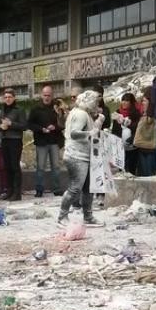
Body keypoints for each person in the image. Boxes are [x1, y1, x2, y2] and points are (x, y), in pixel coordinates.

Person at [57, 90, 104, 227]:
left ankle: (88, 216)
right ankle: (62, 216)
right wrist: (90, 133)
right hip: (76, 156)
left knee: (88, 188)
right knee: (75, 188)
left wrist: (98, 123)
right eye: (95, 102)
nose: (97, 105)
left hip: (83, 155)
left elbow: (91, 132)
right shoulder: (81, 114)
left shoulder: (83, 114)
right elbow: (74, 133)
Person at [28, 85, 63, 197]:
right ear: (41, 95)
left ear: (52, 96)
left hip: (54, 141)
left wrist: (55, 127)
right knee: (40, 167)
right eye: (45, 95)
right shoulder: (36, 109)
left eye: (49, 95)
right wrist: (41, 129)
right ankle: (39, 189)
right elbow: (29, 124)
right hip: (41, 141)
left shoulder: (57, 108)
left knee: (56, 167)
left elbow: (63, 124)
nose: (47, 97)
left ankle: (57, 189)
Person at [0, 88, 27, 201]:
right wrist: (1, 127)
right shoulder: (2, 110)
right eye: (5, 97)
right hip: (4, 140)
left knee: (15, 166)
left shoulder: (19, 110)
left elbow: (24, 126)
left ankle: (17, 193)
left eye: (10, 97)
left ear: (14, 98)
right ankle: (9, 191)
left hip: (15, 140)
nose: (7, 99)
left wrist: (11, 124)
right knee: (7, 166)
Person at [111, 92, 141, 176]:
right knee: (121, 168)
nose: (124, 102)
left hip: (132, 146)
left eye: (126, 100)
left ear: (131, 102)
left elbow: (138, 128)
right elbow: (115, 129)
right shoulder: (117, 113)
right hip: (121, 146)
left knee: (132, 168)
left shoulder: (136, 113)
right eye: (122, 100)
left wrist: (127, 123)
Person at [133, 90, 156, 177]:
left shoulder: (154, 117)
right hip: (142, 148)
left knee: (150, 175)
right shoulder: (144, 115)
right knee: (143, 175)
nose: (142, 103)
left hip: (151, 150)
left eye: (144, 101)